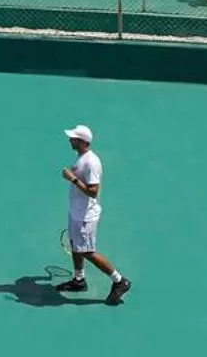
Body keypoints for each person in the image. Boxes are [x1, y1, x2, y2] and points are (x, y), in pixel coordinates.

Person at [57, 125, 131, 305]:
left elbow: (93, 191)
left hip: (85, 216)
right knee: (76, 246)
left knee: (88, 252)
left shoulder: (91, 163)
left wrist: (72, 179)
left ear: (82, 142)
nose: (70, 140)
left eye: (73, 138)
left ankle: (119, 281)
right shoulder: (82, 158)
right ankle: (79, 280)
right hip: (76, 212)